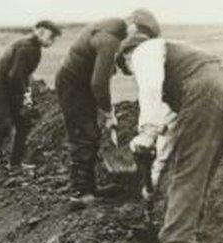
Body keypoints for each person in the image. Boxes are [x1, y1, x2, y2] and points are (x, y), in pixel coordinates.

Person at [117, 33, 223, 243]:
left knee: (186, 172)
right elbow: (167, 146)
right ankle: (188, 236)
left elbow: (150, 88)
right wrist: (151, 183)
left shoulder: (145, 50)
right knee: (199, 172)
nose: (133, 75)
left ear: (127, 55)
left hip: (206, 93)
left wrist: (146, 131)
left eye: (128, 69)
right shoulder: (178, 76)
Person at [56, 10, 160, 205]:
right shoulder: (110, 39)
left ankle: (90, 188)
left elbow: (104, 74)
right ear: (133, 28)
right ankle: (80, 193)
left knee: (90, 132)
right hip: (73, 84)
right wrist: (108, 113)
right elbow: (98, 84)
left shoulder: (114, 33)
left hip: (81, 83)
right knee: (82, 134)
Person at [0, 20, 61, 175]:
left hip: (11, 88)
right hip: (0, 87)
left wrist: (26, 94)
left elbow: (24, 75)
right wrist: (24, 96)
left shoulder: (35, 48)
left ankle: (15, 163)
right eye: (51, 37)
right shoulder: (26, 47)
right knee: (4, 123)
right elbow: (15, 76)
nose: (52, 41)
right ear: (40, 32)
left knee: (23, 123)